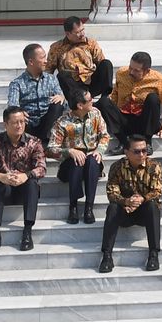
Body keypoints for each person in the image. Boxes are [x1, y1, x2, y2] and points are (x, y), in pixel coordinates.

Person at [0, 106, 45, 253]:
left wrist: (26, 175)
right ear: (5, 124)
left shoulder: (34, 141)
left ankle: (27, 232)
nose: (20, 125)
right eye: (15, 122)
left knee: (32, 183)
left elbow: (42, 167)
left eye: (22, 121)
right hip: (4, 190)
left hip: (25, 191)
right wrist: (1, 176)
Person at [98, 134, 162, 273]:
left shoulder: (154, 166)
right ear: (126, 152)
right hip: (125, 211)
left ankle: (153, 254)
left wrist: (142, 199)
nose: (141, 154)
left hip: (144, 212)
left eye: (144, 150)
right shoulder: (117, 167)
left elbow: (157, 191)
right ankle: (107, 255)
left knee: (153, 205)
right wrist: (126, 201)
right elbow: (111, 192)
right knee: (112, 208)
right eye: (137, 151)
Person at [47, 88, 109, 225]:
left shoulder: (96, 114)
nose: (93, 101)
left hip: (92, 163)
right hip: (70, 166)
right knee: (77, 160)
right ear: (80, 105)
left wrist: (99, 150)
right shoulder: (63, 122)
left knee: (92, 161)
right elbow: (51, 148)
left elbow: (104, 136)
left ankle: (89, 207)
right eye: (90, 99)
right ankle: (73, 206)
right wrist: (69, 151)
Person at [97, 52, 162, 155]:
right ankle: (123, 142)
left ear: (147, 71)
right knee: (104, 102)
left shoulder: (159, 79)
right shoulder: (121, 73)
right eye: (130, 68)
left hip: (144, 120)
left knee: (153, 98)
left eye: (136, 70)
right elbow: (115, 95)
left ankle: (147, 142)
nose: (131, 72)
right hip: (125, 117)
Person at [8, 43, 66, 145]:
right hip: (29, 123)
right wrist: (19, 111)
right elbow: (12, 105)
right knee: (16, 114)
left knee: (58, 104)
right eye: (42, 58)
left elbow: (60, 97)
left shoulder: (51, 79)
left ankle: (45, 140)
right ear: (31, 61)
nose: (46, 61)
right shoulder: (17, 83)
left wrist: (61, 97)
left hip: (48, 123)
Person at [47, 16, 113, 101]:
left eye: (82, 30)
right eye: (77, 32)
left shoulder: (91, 43)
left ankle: (105, 97)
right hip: (73, 86)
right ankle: (78, 99)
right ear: (68, 34)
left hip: (91, 82)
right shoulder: (56, 47)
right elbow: (48, 71)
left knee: (106, 63)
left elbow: (101, 62)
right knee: (61, 75)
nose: (82, 34)